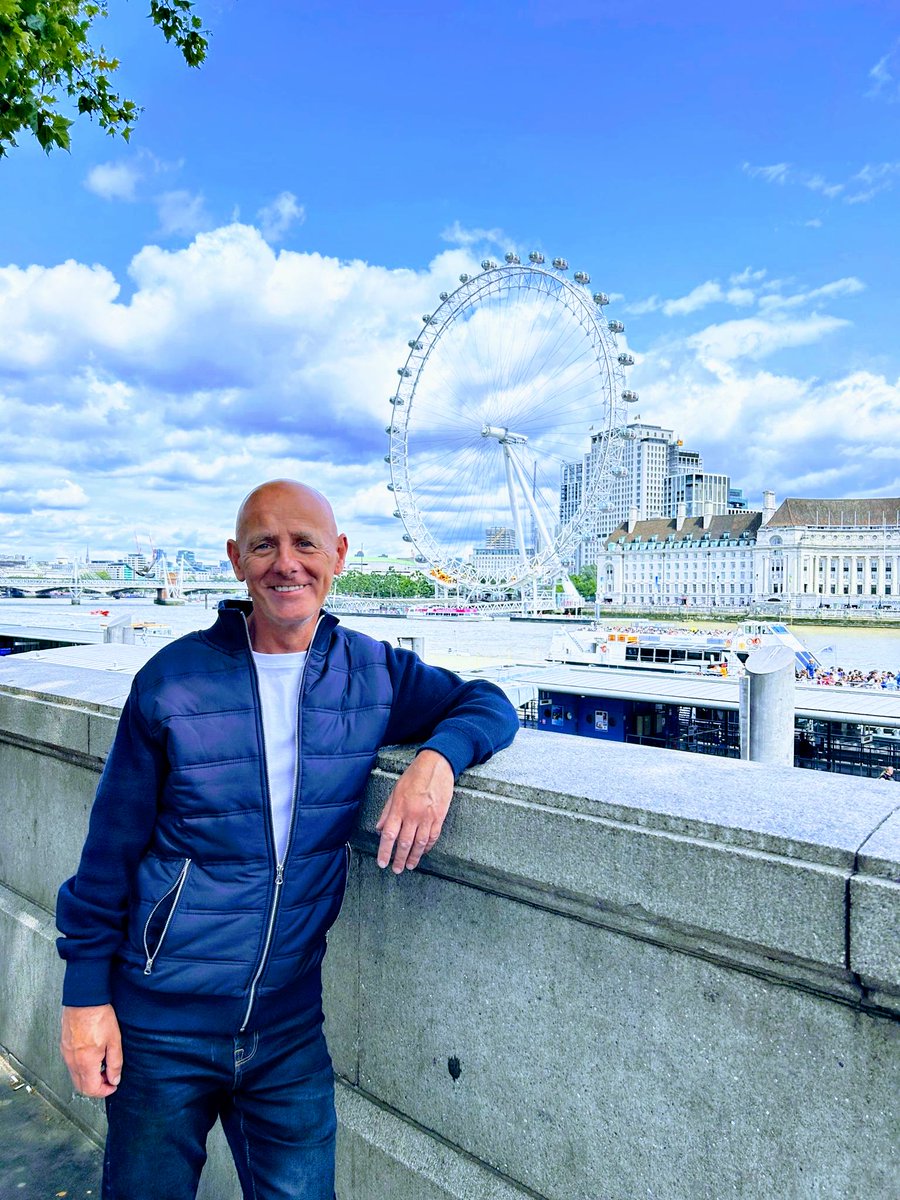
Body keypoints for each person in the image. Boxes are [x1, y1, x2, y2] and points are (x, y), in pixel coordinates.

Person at [56, 479, 519, 1199]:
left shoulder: (371, 672)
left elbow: (486, 701)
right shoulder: (170, 682)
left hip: (288, 1030)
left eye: (305, 543)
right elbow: (106, 856)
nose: (286, 563)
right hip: (160, 1025)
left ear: (338, 554)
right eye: (264, 544)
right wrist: (85, 1002)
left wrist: (439, 758)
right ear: (236, 559)